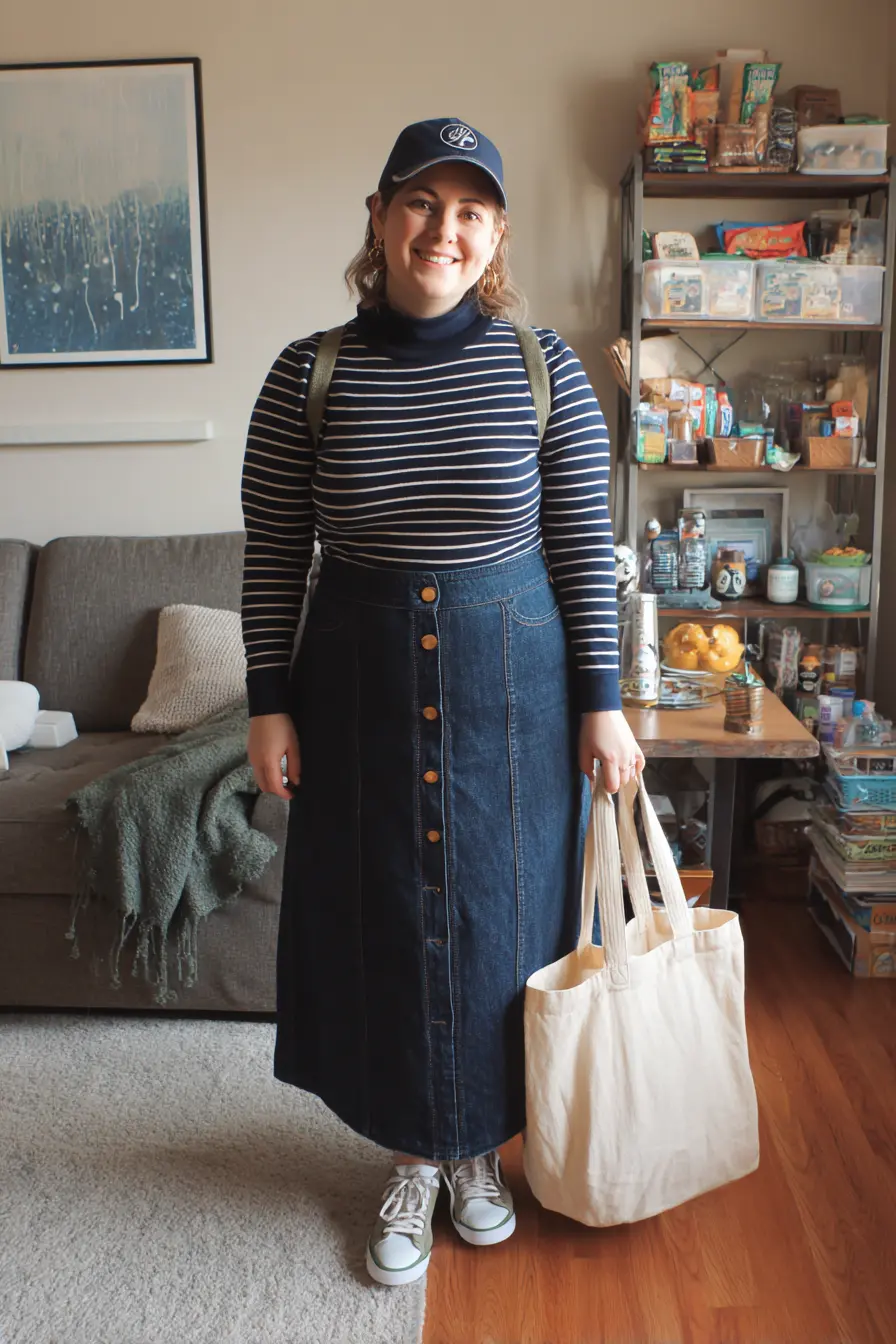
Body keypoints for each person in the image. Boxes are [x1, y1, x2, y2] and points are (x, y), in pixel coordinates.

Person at [240, 117, 645, 1288]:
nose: (442, 229)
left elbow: (580, 546)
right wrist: (269, 702)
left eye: (469, 209)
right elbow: (275, 552)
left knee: (501, 924)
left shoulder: (543, 367)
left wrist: (602, 703)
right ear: (378, 217)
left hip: (510, 691)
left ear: (496, 234)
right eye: (420, 202)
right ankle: (415, 1154)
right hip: (355, 689)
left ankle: (478, 1151)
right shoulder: (304, 374)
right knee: (383, 923)